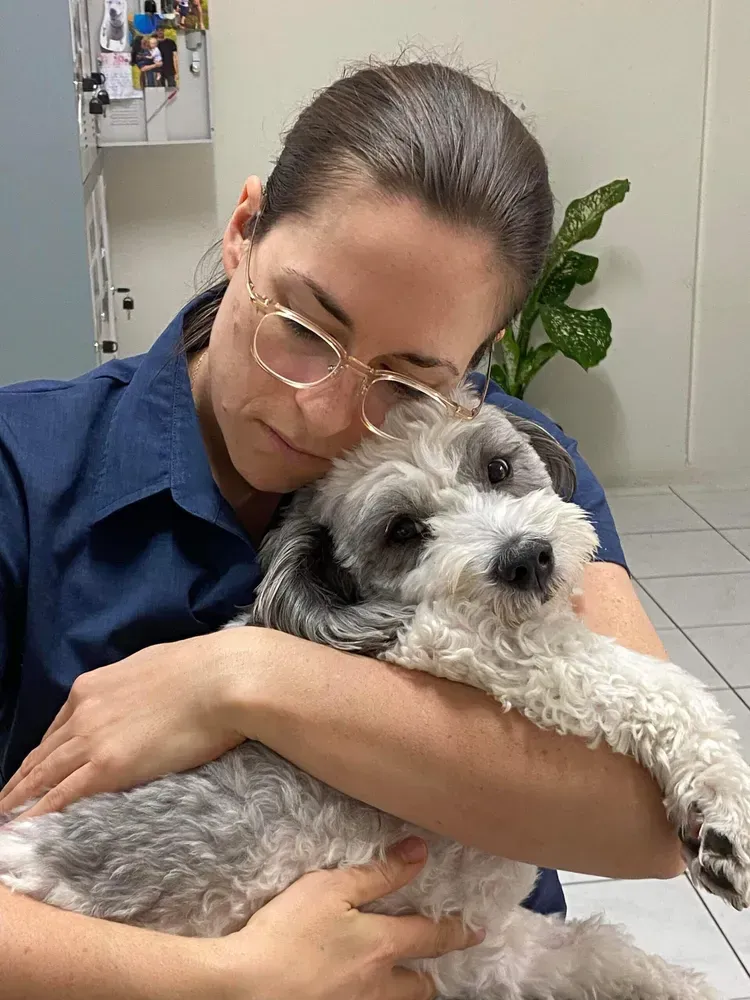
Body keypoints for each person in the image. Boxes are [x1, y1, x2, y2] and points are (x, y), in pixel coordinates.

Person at [0, 61, 682, 998]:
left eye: (409, 378)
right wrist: (220, 983)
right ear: (243, 231)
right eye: (304, 326)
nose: (320, 413)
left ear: (472, 369)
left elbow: (651, 819)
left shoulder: (508, 462)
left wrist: (241, 679)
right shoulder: (22, 475)